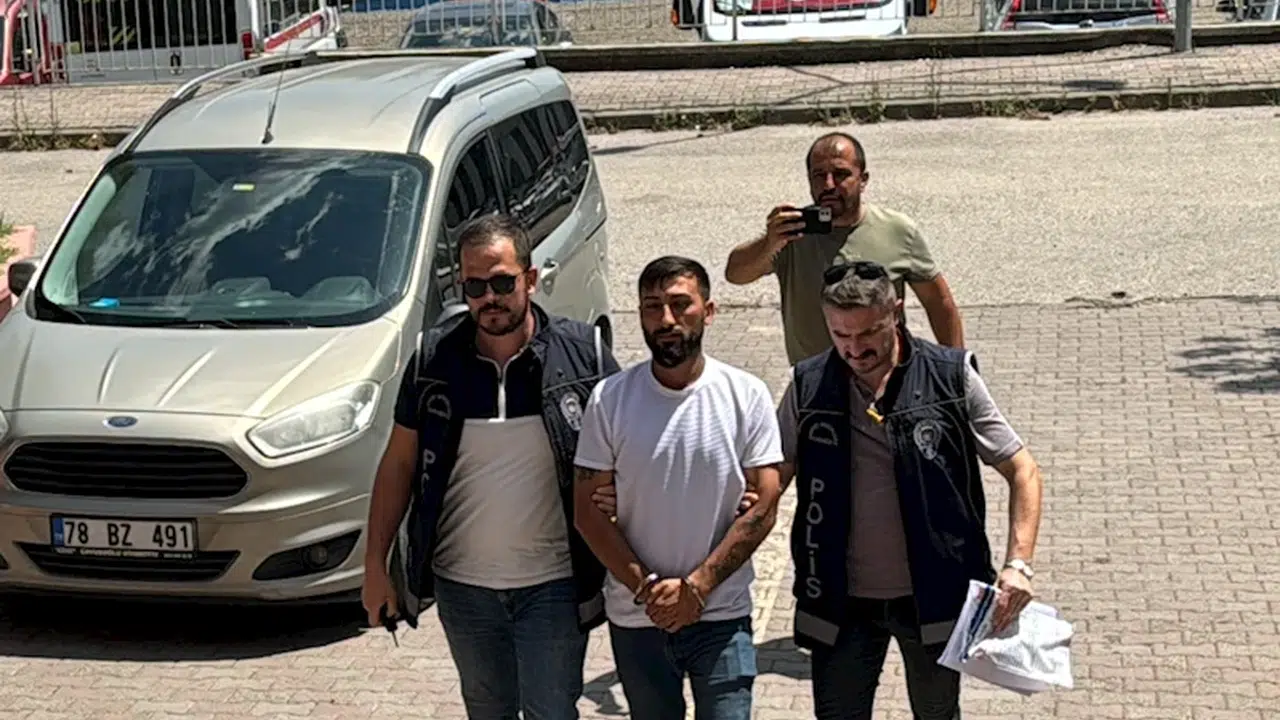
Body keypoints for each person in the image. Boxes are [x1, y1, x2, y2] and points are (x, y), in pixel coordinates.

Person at [361, 213, 621, 720]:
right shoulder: (432, 361)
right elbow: (398, 465)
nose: (489, 298)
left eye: (502, 283)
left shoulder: (583, 356)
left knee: (551, 711)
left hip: (554, 583)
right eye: (474, 286)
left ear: (531, 278)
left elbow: (633, 445)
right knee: (487, 712)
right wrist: (375, 565)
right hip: (464, 589)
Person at [777, 259, 1044, 720]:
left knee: (938, 714)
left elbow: (1023, 470)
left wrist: (1018, 565)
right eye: (840, 334)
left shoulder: (950, 377)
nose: (854, 349)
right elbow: (770, 476)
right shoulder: (808, 384)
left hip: (936, 597)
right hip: (839, 601)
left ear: (896, 311)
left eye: (869, 333)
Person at [571, 256, 785, 720]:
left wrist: (697, 588)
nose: (666, 319)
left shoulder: (746, 395)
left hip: (721, 615)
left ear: (709, 311)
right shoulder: (610, 399)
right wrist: (648, 589)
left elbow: (765, 504)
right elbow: (587, 512)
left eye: (680, 304)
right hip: (638, 618)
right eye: (652, 306)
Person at [723, 131, 965, 365]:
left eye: (840, 174)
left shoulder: (898, 230)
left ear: (863, 180)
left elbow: (939, 303)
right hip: (815, 382)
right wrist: (769, 243)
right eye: (819, 175)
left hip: (885, 378)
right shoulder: (792, 233)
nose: (829, 185)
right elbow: (735, 274)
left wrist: (957, 372)